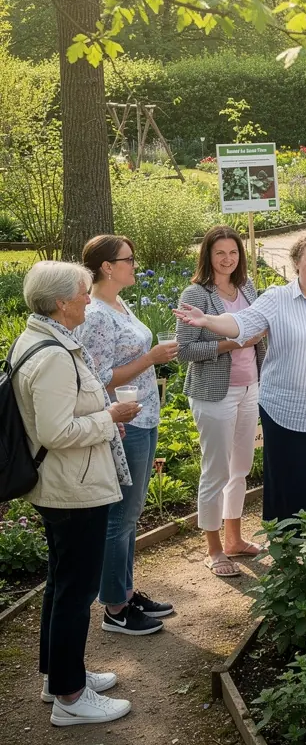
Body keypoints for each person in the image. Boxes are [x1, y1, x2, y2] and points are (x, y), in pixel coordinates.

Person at [12, 262, 138, 725]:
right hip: (73, 488)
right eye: (84, 293)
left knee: (63, 584)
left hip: (67, 483)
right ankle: (70, 697)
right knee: (76, 590)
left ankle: (58, 676)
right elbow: (55, 430)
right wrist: (111, 416)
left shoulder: (45, 340)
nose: (90, 298)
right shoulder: (52, 357)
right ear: (62, 302)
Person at [174, 237, 306, 522]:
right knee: (288, 480)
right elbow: (242, 323)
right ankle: (288, 549)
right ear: (296, 263)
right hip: (286, 408)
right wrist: (209, 321)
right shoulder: (277, 298)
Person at [78, 235, 176, 636]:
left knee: (132, 513)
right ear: (106, 266)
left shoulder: (120, 302)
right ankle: (115, 608)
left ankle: (126, 589)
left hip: (144, 416)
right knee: (120, 516)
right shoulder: (97, 314)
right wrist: (150, 359)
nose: (134, 264)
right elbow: (98, 378)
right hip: (123, 422)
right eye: (128, 259)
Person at [176, 226, 268, 578]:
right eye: (220, 254)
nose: (228, 259)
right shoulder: (196, 295)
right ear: (208, 256)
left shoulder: (247, 287)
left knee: (241, 468)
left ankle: (234, 539)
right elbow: (184, 351)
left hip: (250, 387)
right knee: (215, 470)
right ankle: (213, 549)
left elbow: (258, 330)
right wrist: (232, 343)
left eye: (233, 252)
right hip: (215, 392)